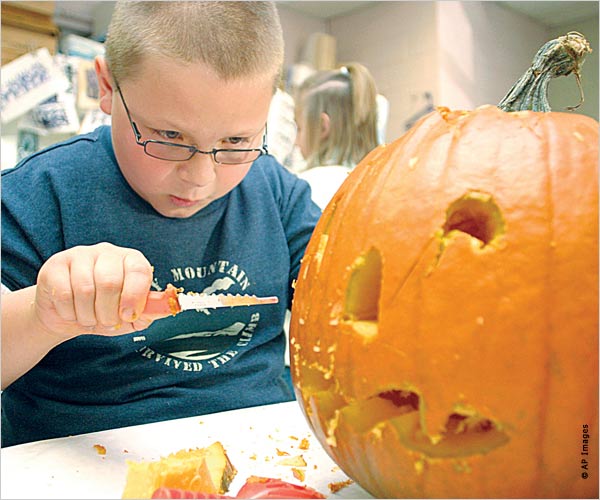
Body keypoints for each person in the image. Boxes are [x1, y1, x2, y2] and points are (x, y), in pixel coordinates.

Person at [1, 1, 321, 447]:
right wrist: (43, 314)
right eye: (170, 138)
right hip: (84, 461)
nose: (201, 179)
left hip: (268, 448)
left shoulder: (277, 194)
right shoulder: (35, 195)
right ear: (109, 86)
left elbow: (350, 304)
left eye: (236, 141)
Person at [293, 62, 382, 209]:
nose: (296, 142)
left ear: (322, 127)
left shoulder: (306, 188)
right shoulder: (376, 183)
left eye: (300, 128)